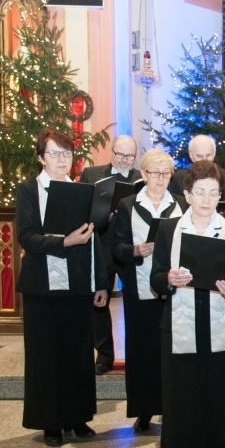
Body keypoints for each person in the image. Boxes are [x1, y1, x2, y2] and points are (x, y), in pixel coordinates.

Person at [150, 160, 225, 448]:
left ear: (220, 196)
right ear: (187, 194)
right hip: (179, 331)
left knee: (218, 410)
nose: (207, 200)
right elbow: (155, 277)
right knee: (181, 412)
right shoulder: (168, 229)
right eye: (200, 192)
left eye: (213, 193)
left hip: (220, 332)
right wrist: (168, 279)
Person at [15, 128, 108, 448]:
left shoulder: (82, 191)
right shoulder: (28, 190)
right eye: (54, 153)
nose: (61, 160)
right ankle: (51, 423)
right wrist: (64, 242)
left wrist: (100, 282)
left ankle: (77, 417)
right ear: (41, 158)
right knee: (46, 355)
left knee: (78, 354)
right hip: (42, 286)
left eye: (66, 154)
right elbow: (26, 237)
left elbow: (93, 239)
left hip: (78, 283)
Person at [112, 149, 184, 433]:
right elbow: (116, 246)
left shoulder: (181, 204)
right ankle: (144, 410)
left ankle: (173, 408)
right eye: (155, 173)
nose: (161, 178)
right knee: (143, 350)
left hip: (175, 289)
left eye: (166, 173)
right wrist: (135, 250)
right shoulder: (128, 205)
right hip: (140, 289)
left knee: (172, 350)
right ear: (143, 174)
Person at [80, 135, 141, 375]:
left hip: (129, 249)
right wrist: (99, 215)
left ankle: (136, 355)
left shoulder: (142, 179)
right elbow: (82, 212)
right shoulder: (91, 175)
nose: (124, 160)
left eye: (130, 156)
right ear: (112, 152)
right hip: (101, 248)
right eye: (120, 154)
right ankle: (104, 356)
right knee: (98, 303)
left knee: (135, 301)